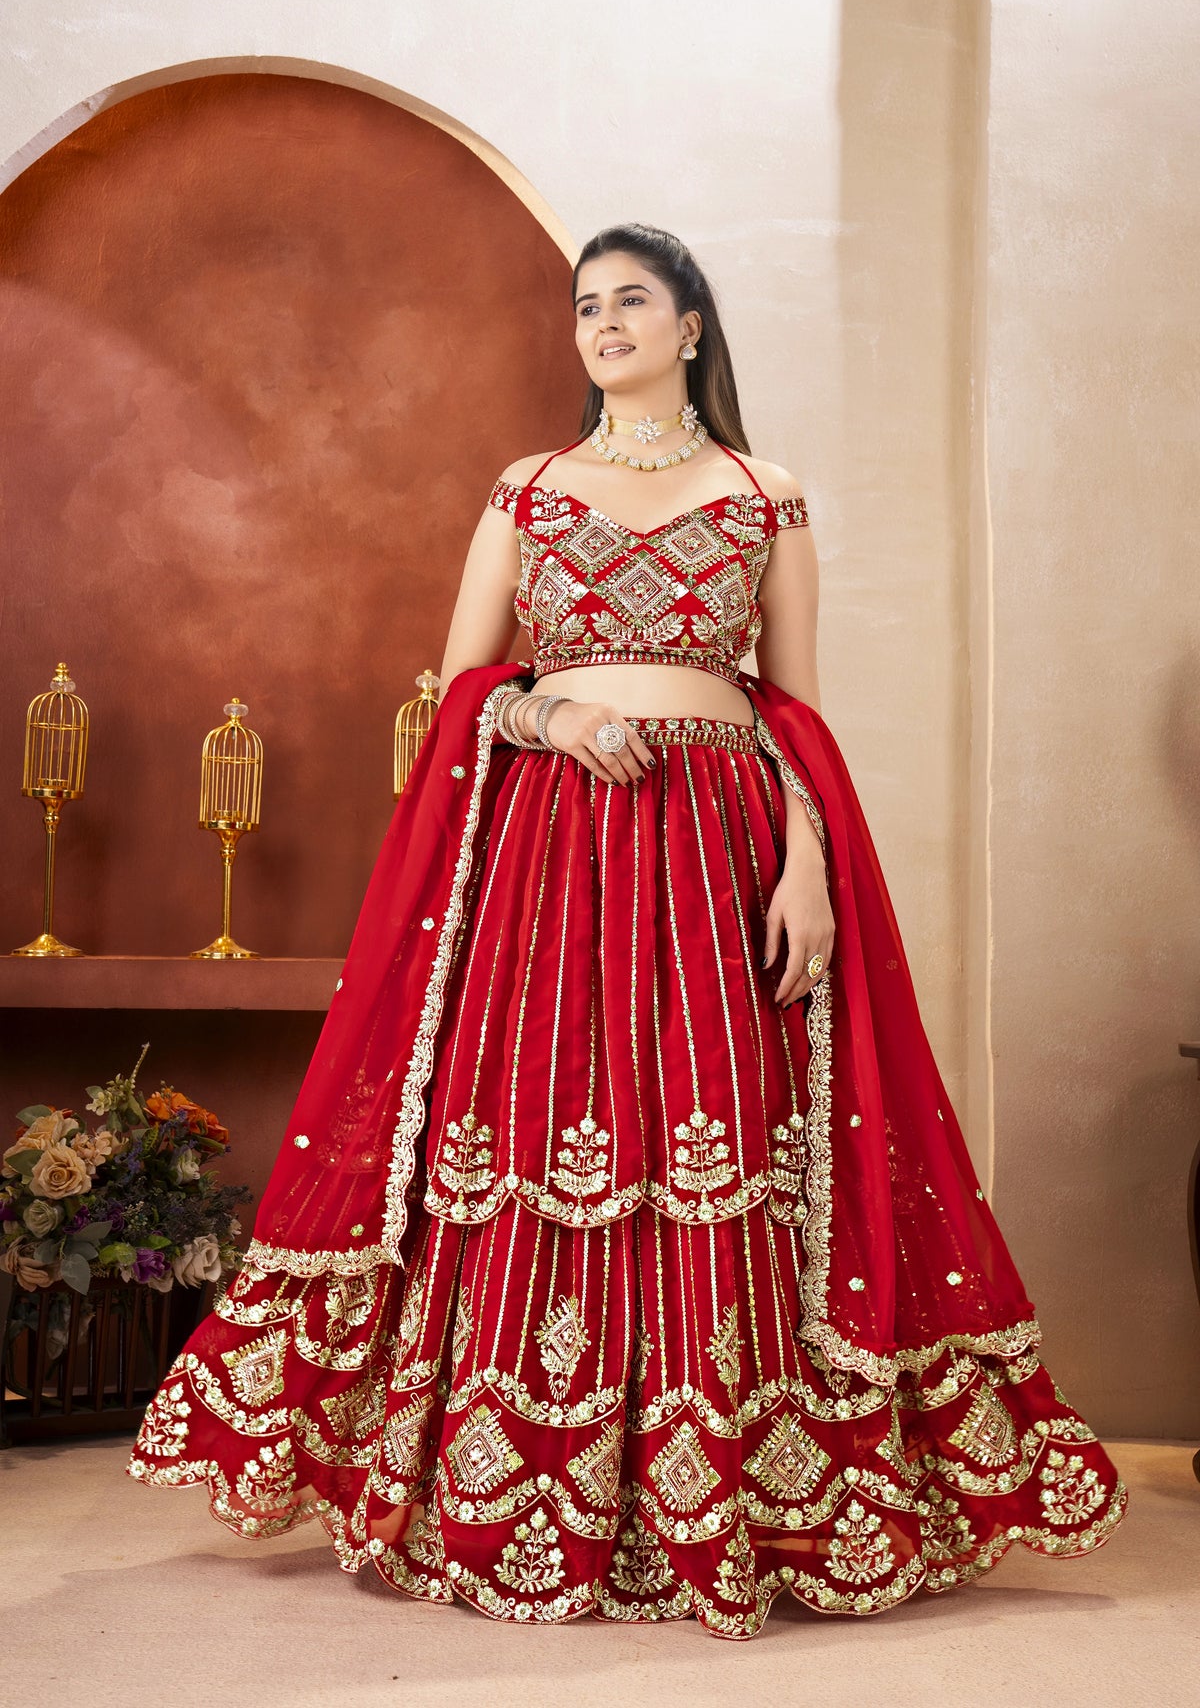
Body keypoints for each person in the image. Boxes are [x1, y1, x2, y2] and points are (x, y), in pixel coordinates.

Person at [127, 222, 1126, 1638]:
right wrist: (557, 714)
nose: (600, 324)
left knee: (716, 1133)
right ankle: (515, 1489)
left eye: (630, 302)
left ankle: (730, 1492)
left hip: (723, 849)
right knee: (545, 1121)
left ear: (692, 327)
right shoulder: (527, 490)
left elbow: (796, 712)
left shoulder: (760, 494)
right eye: (585, 306)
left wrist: (811, 872)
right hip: (554, 847)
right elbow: (464, 678)